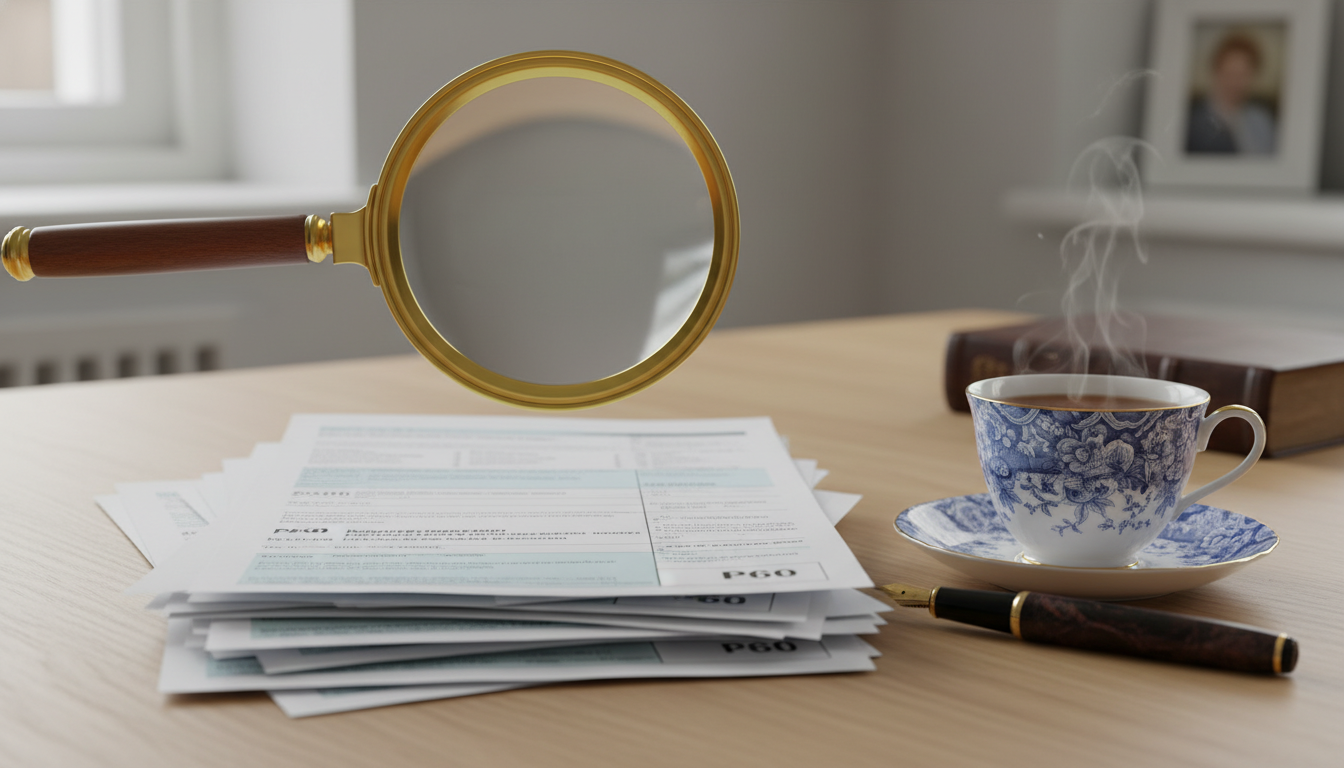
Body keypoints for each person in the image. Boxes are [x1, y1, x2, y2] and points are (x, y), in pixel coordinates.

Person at [1185, 31, 1277, 155]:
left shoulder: (1262, 120)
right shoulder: (1192, 123)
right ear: (1216, 71)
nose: (1235, 82)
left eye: (1243, 75)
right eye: (1230, 73)